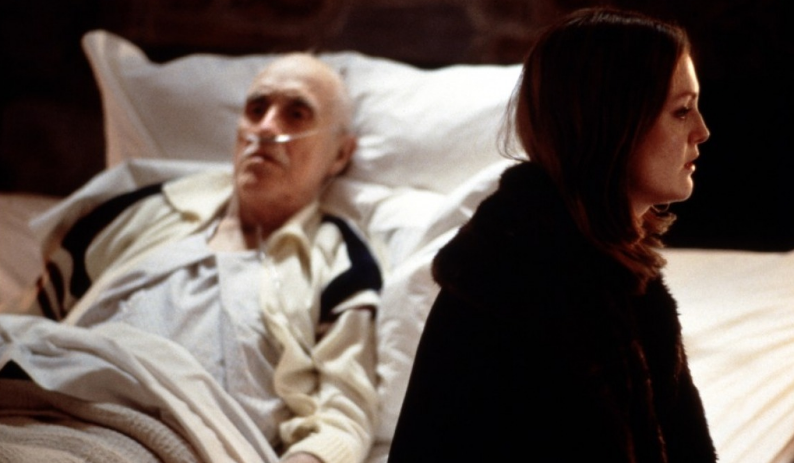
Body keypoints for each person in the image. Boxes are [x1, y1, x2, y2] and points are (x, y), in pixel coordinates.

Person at [3, 53, 381, 463]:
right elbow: (27, 327)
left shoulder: (341, 262)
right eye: (256, 109)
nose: (266, 128)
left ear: (341, 153)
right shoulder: (137, 211)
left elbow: (344, 418)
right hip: (29, 408)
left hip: (161, 442)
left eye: (297, 114)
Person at [388, 7, 716, 463]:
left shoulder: (614, 271)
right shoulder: (521, 293)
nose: (702, 131)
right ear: (615, 122)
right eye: (681, 111)